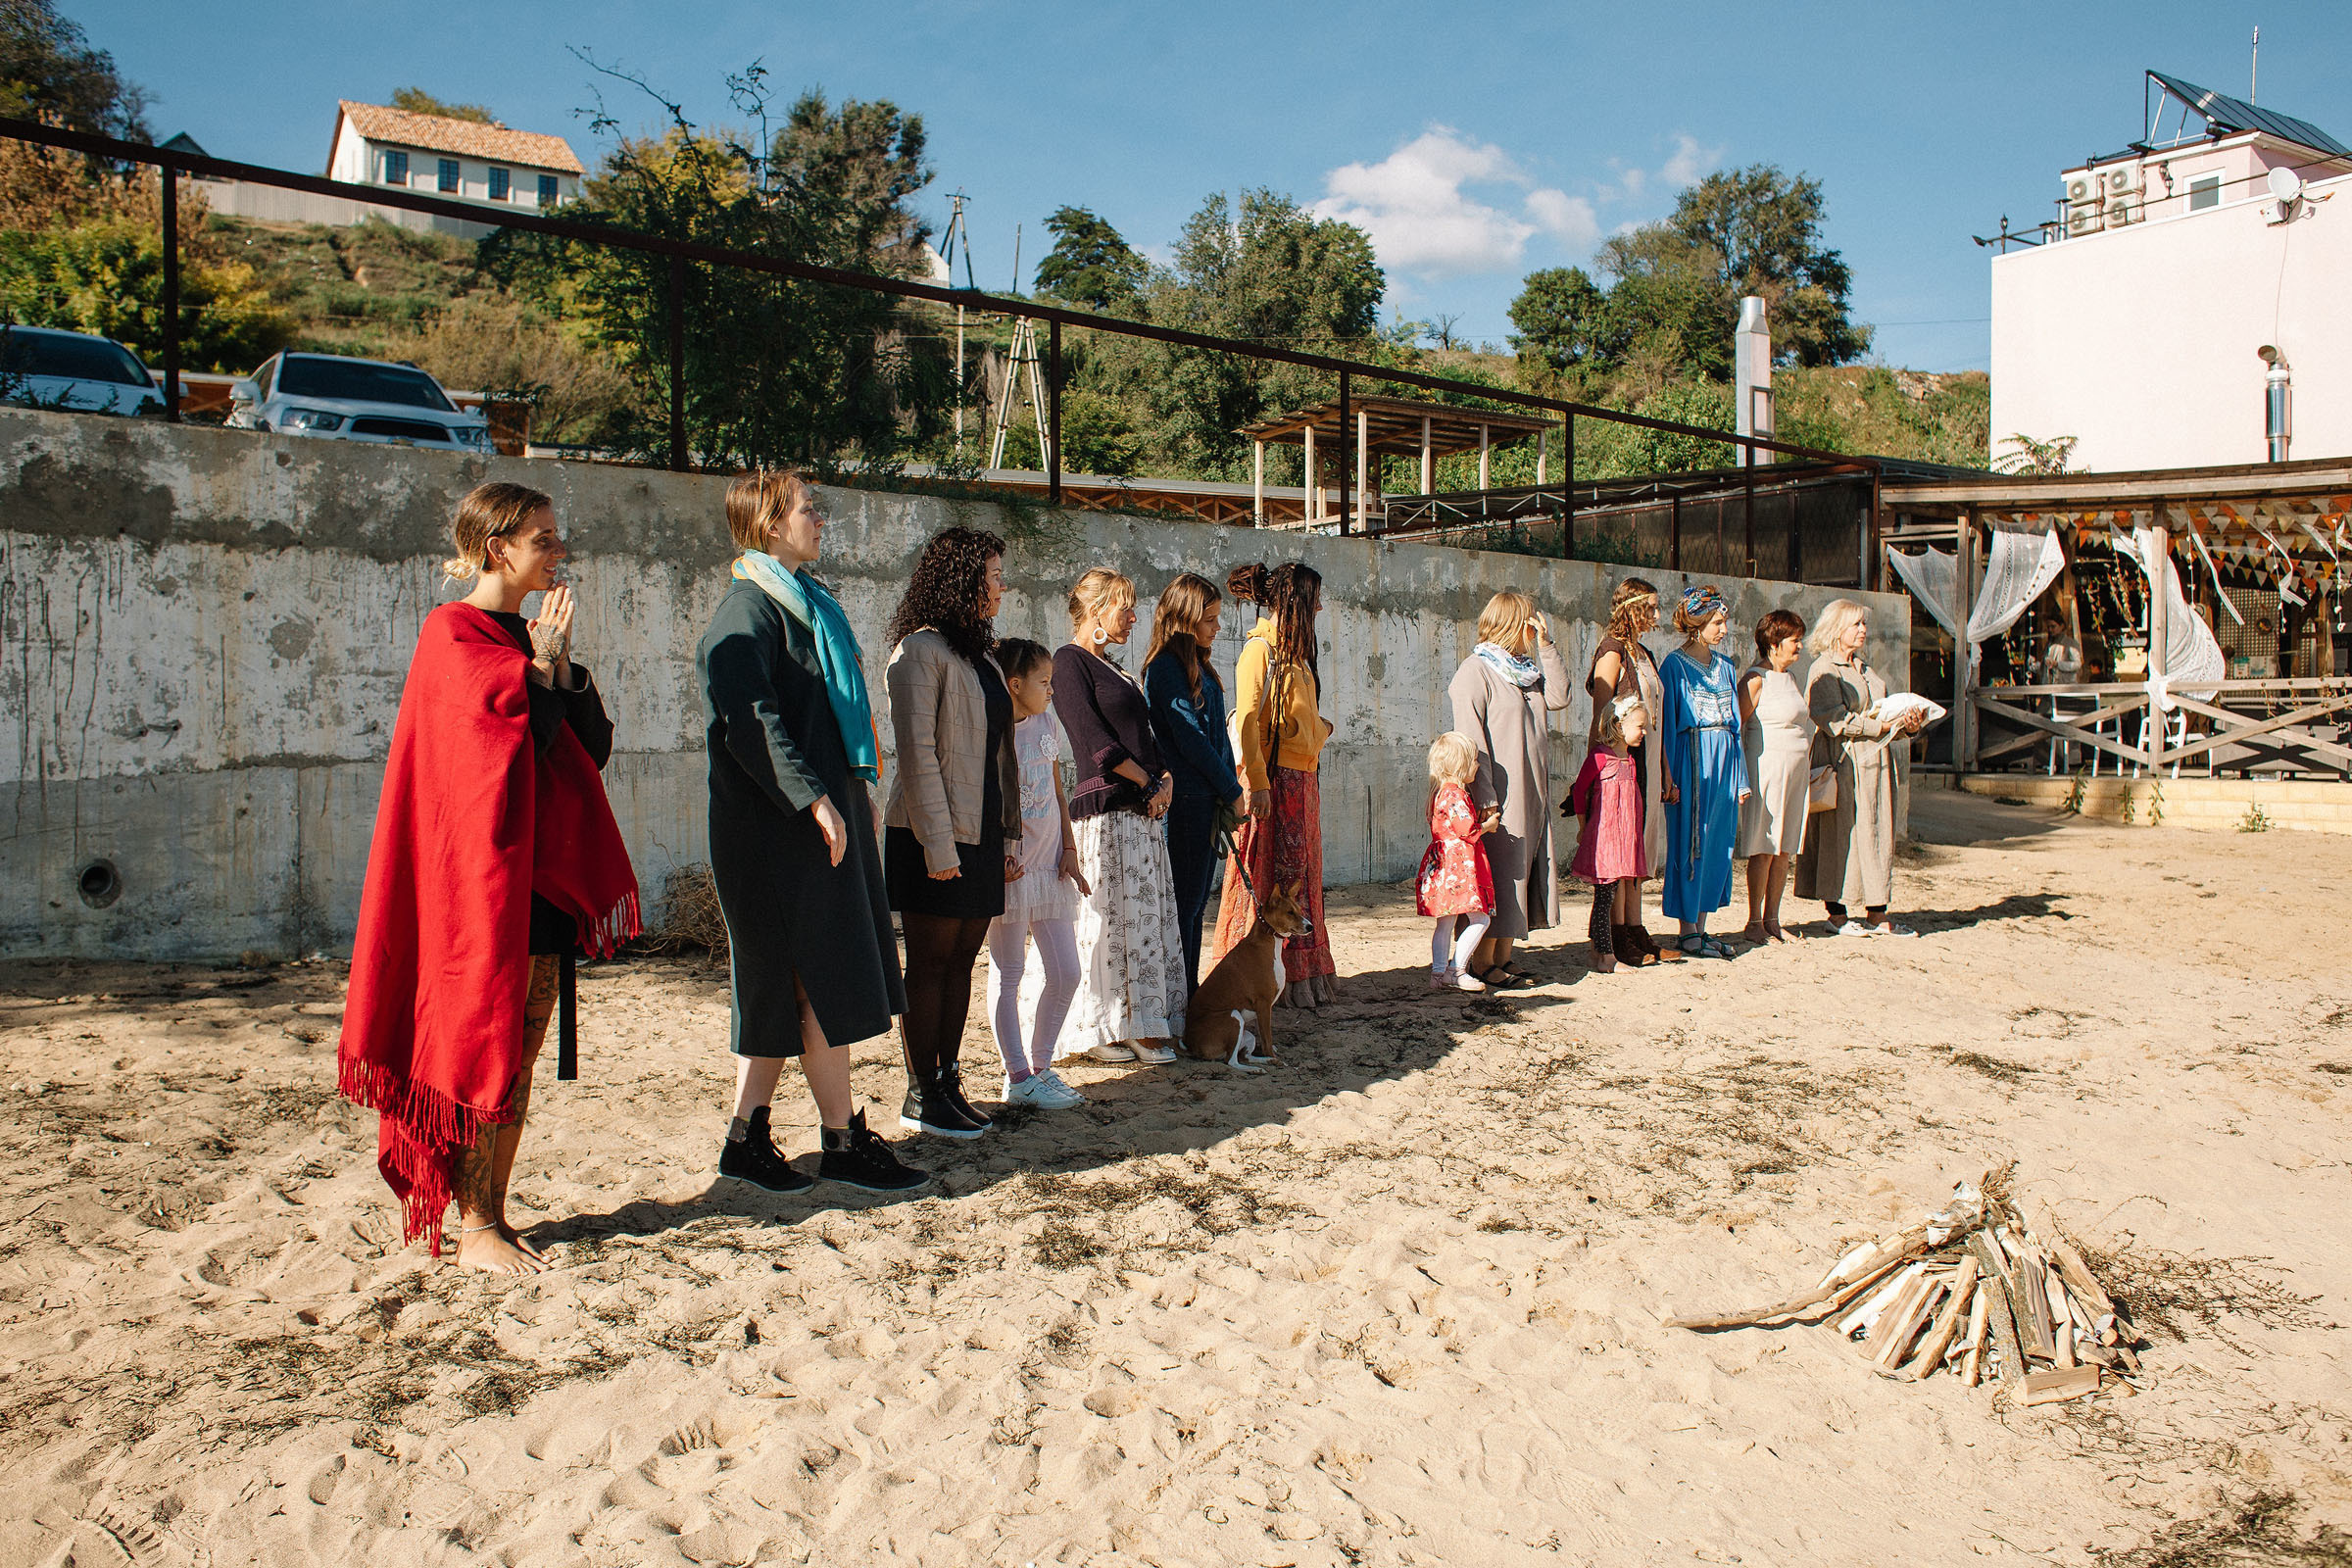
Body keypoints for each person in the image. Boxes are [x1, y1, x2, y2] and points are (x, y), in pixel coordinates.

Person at [339, 481, 641, 1274]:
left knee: (523, 1049)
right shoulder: (453, 635)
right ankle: (475, 1227)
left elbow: (589, 747)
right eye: (543, 538)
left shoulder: (526, 635)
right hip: (474, 888)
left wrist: (558, 665)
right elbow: (497, 761)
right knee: (481, 1044)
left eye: (555, 535)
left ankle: (493, 1214)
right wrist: (538, 666)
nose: (558, 550)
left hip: (538, 883)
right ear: (495, 548)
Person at [698, 471, 926, 1194]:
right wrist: (813, 802)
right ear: (770, 523)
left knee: (802, 982)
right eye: (808, 509)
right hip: (777, 832)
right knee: (802, 981)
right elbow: (751, 721)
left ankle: (759, 1137)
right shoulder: (748, 612)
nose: (820, 519)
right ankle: (835, 1140)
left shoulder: (804, 606)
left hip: (814, 823)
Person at [883, 525, 1021, 1137]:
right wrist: (938, 846)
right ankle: (920, 1093)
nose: (1000, 586)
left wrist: (1009, 835)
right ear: (963, 581)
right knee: (931, 964)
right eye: (992, 575)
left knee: (963, 961)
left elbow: (1002, 753)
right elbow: (915, 756)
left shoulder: (980, 655)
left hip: (981, 831)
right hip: (930, 835)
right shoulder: (919, 651)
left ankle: (947, 1081)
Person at [1054, 567, 1187, 1065]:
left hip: (1141, 815)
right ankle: (1107, 1027)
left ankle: (1137, 1021)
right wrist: (1149, 782)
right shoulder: (1070, 663)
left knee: (1140, 925)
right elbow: (1094, 745)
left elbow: (1145, 740)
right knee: (1109, 924)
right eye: (1125, 607)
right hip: (1108, 816)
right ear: (1096, 610)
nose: (1134, 617)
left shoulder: (1116, 668)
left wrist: (1165, 778)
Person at [1214, 561, 1338, 1008]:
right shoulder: (1259, 652)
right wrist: (1261, 783)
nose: (1320, 607)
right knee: (1276, 879)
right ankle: (1257, 980)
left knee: (1300, 875)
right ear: (1297, 602)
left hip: (1301, 781)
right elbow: (1249, 721)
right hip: (1276, 784)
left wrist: (1317, 730)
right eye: (1315, 599)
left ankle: (1298, 977)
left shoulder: (1295, 655)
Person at [984, 638, 1091, 1109]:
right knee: (1009, 973)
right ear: (1014, 684)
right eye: (1044, 682)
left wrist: (1068, 847)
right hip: (1011, 871)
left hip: (1050, 867)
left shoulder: (1048, 721)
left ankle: (1043, 1068)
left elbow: (1056, 790)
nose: (1052, 690)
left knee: (1067, 971)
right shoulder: (993, 730)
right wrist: (995, 856)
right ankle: (1018, 1075)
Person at [1448, 590, 1570, 987]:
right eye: (1530, 621)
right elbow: (1472, 743)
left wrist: (1547, 646)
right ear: (1512, 622)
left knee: (1521, 871)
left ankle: (1503, 957)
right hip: (1498, 793)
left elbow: (1560, 696)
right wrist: (1484, 798)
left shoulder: (1526, 671)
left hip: (1531, 790)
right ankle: (1481, 963)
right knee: (1500, 875)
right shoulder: (1476, 671)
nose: (1534, 628)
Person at [1794, 599, 1925, 937]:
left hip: (1876, 765)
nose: (1863, 630)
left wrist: (1907, 722)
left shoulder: (1866, 669)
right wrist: (1876, 728)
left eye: (1864, 624)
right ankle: (1836, 913)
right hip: (1844, 763)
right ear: (1837, 628)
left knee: (1877, 833)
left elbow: (1882, 712)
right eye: (1856, 624)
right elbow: (1830, 717)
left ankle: (1877, 911)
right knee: (1842, 834)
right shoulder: (1825, 669)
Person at [1142, 571, 1244, 997]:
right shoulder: (1165, 668)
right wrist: (1232, 790)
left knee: (1194, 906)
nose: (1218, 628)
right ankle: (1179, 1000)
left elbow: (1214, 737)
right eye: (1210, 620)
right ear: (1186, 620)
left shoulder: (1195, 664)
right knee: (1183, 908)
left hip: (1203, 800)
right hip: (1184, 803)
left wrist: (1226, 787)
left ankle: (1187, 995)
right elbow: (1191, 739)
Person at [1585, 578, 1674, 966]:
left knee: (1640, 847)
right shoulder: (1613, 651)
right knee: (1620, 850)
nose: (1656, 615)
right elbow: (1603, 719)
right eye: (1650, 607)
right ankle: (1617, 933)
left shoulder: (1646, 654)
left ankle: (1636, 927)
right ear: (1632, 608)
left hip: (1649, 761)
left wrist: (1665, 770)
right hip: (1621, 766)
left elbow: (1655, 719)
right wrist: (1596, 772)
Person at [1658, 586, 1751, 958]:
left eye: (1724, 621)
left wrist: (1741, 777)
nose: (1724, 629)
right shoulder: (1674, 665)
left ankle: (1703, 926)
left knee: (1718, 844)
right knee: (1691, 840)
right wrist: (1668, 777)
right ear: (1697, 624)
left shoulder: (1727, 666)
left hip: (1725, 760)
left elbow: (1737, 727)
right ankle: (1686, 931)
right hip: (1691, 759)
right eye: (1717, 622)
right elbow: (1666, 726)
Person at [1737, 608, 1814, 945]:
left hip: (1795, 770)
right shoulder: (1755, 679)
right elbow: (1736, 729)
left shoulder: (1792, 678)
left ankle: (1773, 918)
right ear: (1774, 642)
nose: (1799, 647)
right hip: (1766, 768)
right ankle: (1754, 919)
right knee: (1764, 843)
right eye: (1794, 640)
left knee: (1785, 846)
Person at [1568, 695, 1651, 975]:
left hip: (1623, 840)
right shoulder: (1600, 757)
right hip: (1604, 840)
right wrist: (1583, 827)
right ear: (1618, 724)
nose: (1644, 732)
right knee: (1605, 896)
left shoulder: (1629, 760)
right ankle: (1605, 956)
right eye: (1639, 726)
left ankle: (1597, 952)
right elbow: (1579, 792)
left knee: (1608, 895)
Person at [1417, 732, 1497, 992]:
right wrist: (1488, 825)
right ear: (1460, 764)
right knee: (1481, 919)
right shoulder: (1456, 795)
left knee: (1446, 921)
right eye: (1474, 760)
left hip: (1443, 866)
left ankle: (1438, 973)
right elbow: (1467, 829)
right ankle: (1457, 970)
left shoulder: (1439, 793)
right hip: (1458, 868)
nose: (1477, 766)